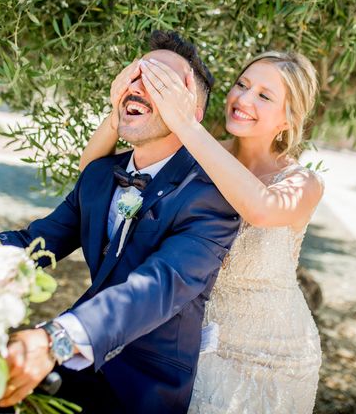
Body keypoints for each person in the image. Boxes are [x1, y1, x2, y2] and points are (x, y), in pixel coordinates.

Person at [0, 31, 241, 414]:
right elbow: (33, 243)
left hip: (139, 390)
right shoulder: (100, 175)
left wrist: (55, 339)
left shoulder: (211, 197)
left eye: (161, 83)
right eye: (134, 76)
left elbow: (155, 289)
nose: (139, 87)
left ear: (192, 114)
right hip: (68, 368)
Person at [79, 49, 325, 413]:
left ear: (288, 120)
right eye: (242, 84)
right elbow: (92, 174)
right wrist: (120, 108)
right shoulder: (196, 151)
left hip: (273, 358)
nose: (242, 99)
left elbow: (260, 209)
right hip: (191, 344)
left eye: (264, 95)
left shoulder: (303, 183)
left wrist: (186, 125)